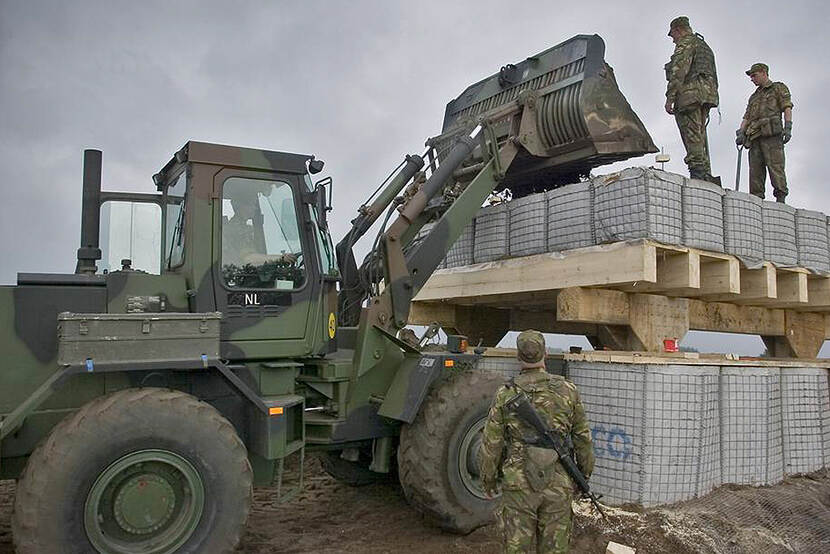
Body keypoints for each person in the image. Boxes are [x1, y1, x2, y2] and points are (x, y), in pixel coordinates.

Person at [479, 329, 594, 554]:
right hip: (559, 481)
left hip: (518, 482)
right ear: (546, 354)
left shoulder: (505, 393)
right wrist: (583, 475)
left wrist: (488, 479)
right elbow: (583, 439)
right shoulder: (568, 390)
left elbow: (491, 442)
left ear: (518, 357)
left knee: (516, 548)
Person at [664, 16, 720, 185]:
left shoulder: (687, 43)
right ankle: (705, 173)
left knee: (692, 136)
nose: (673, 40)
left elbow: (679, 71)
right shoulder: (704, 45)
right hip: (705, 95)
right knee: (699, 135)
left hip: (690, 96)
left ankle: (698, 176)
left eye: (673, 35)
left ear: (679, 30)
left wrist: (670, 97)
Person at [735, 63, 793, 203]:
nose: (752, 79)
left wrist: (788, 126)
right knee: (755, 172)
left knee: (776, 167)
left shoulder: (778, 88)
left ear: (763, 72)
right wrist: (741, 132)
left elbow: (787, 107)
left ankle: (780, 199)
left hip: (772, 136)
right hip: (754, 137)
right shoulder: (754, 97)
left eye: (754, 75)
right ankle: (756, 201)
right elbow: (747, 117)